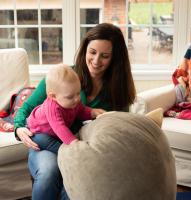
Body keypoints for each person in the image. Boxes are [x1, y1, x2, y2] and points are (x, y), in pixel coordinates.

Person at [14, 22, 136, 200]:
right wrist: (18, 128)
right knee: (49, 172)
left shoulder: (118, 90)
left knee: (79, 180)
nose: (96, 61)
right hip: (50, 143)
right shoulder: (63, 77)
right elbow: (26, 108)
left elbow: (120, 128)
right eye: (92, 52)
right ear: (85, 50)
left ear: (115, 58)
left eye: (105, 56)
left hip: (89, 151)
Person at [28, 64, 105, 154]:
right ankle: (62, 152)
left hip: (54, 132)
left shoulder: (72, 102)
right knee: (48, 142)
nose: (76, 99)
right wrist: (74, 143)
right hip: (38, 132)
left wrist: (93, 112)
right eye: (70, 97)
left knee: (65, 135)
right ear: (53, 96)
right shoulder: (52, 107)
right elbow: (60, 127)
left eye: (78, 93)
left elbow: (81, 111)